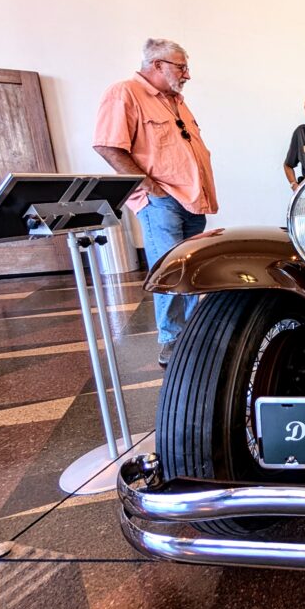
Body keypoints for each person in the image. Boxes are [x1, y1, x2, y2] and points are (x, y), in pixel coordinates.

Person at [92, 38, 218, 367]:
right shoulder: (125, 93)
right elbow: (108, 146)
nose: (187, 74)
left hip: (192, 201)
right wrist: (148, 185)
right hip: (161, 201)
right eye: (181, 67)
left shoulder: (176, 101)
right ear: (157, 65)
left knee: (190, 269)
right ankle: (172, 338)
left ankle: (190, 334)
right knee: (169, 268)